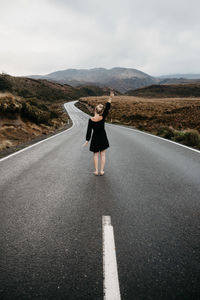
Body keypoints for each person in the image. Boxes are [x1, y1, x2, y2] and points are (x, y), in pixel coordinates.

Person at [83, 91, 114, 176]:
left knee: (95, 155)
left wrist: (87, 140)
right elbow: (107, 108)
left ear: (95, 110)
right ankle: (101, 171)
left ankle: (96, 171)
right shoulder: (102, 117)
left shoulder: (91, 120)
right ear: (101, 111)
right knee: (103, 155)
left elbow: (89, 130)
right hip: (103, 137)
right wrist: (110, 98)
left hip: (95, 138)